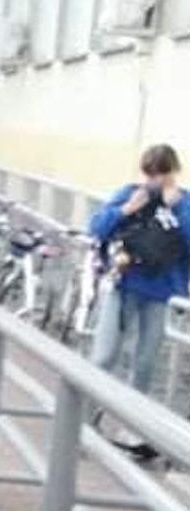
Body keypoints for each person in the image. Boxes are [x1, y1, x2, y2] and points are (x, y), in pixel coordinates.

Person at [88, 144, 190, 422]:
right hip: (124, 283)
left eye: (163, 173)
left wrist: (178, 208)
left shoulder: (185, 203)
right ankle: (85, 415)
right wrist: (126, 209)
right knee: (104, 356)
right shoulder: (132, 193)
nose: (156, 180)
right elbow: (96, 227)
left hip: (161, 292)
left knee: (145, 364)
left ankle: (132, 425)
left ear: (174, 171)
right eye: (150, 174)